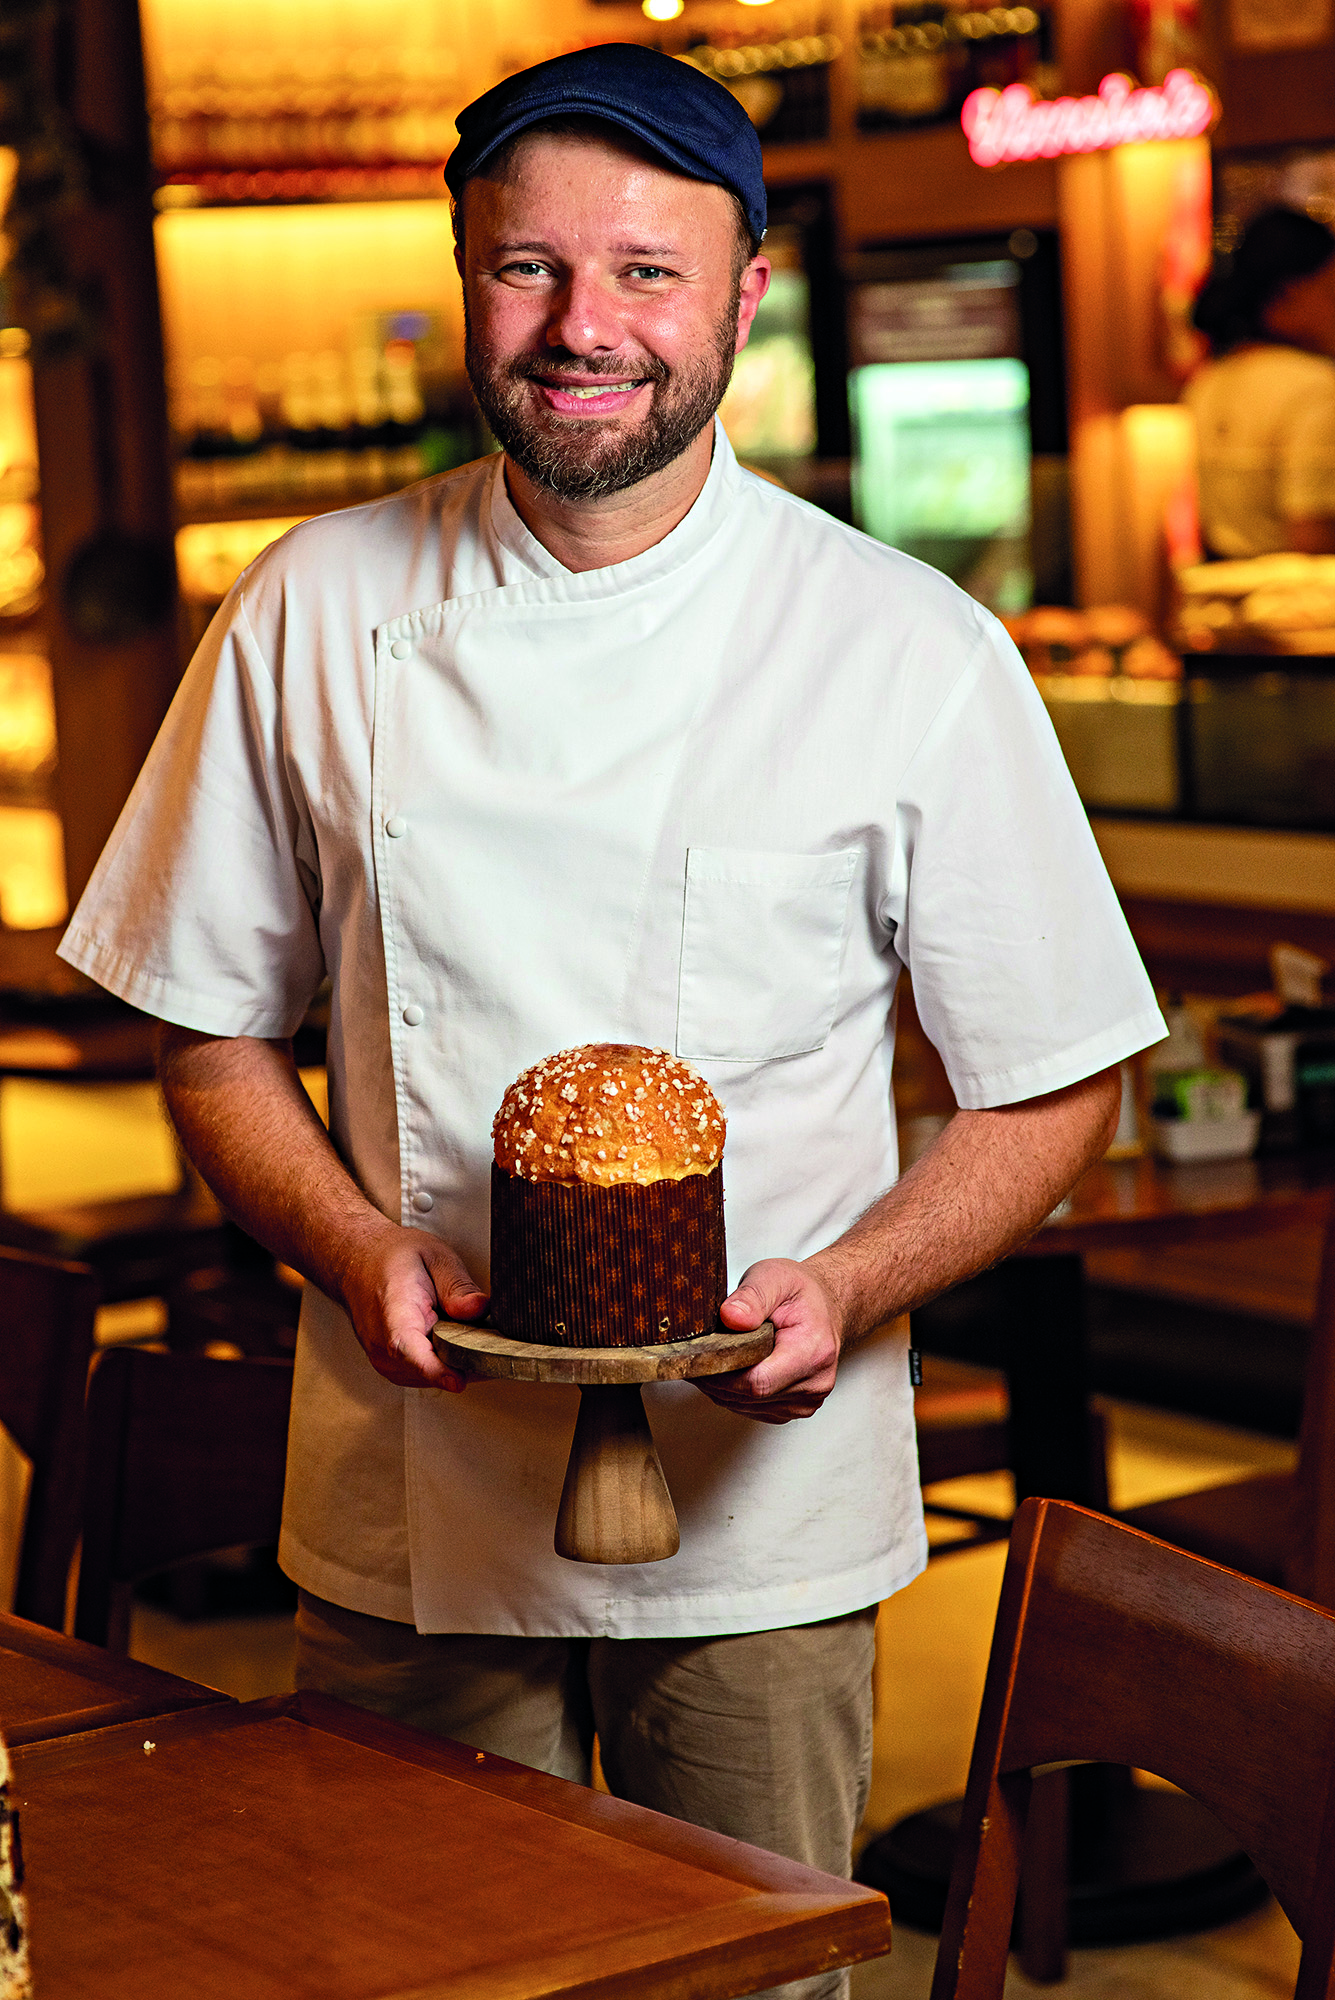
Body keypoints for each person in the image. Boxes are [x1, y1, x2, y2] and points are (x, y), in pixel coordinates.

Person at [59, 43, 1163, 1995]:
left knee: (754, 1980)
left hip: (765, 1510)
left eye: (648, 273)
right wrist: (348, 1240)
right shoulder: (311, 606)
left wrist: (858, 1279)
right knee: (409, 1972)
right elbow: (211, 1033)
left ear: (748, 292)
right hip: (412, 1498)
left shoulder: (905, 649)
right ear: (464, 272)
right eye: (529, 269)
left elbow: (1048, 1077)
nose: (584, 330)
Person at [1185, 205, 1335, 558]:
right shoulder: (1312, 387)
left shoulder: (1211, 379)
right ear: (1287, 294)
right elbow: (1312, 538)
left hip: (1229, 595)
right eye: (1329, 292)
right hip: (1298, 602)